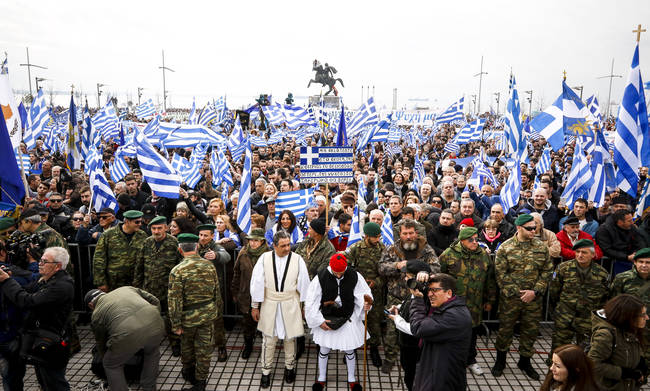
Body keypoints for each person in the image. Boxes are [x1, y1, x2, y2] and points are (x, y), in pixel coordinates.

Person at [0, 247, 74, 391]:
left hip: (53, 344)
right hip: (42, 342)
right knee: (46, 382)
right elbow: (27, 288)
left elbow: (27, 301)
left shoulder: (61, 286)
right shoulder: (47, 279)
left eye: (44, 261)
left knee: (55, 383)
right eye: (40, 260)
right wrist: (11, 275)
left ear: (57, 266)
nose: (40, 263)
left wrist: (7, 281)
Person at [491, 213, 553, 380]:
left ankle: (525, 361)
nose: (534, 230)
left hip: (534, 299)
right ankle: (500, 361)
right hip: (511, 299)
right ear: (519, 228)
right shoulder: (505, 247)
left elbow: (547, 271)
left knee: (530, 330)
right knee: (505, 330)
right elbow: (500, 274)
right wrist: (517, 293)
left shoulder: (541, 247)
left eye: (536, 228)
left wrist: (535, 292)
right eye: (530, 228)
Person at [378, 219, 440, 374]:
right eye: (405, 233)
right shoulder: (392, 249)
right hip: (396, 297)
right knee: (392, 332)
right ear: (400, 234)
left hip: (418, 298)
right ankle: (390, 359)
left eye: (411, 233)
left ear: (416, 233)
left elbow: (436, 267)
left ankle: (419, 359)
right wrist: (396, 266)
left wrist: (425, 272)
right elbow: (381, 268)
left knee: (417, 330)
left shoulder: (425, 249)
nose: (408, 236)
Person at [250, 231, 311, 388]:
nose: (287, 248)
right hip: (270, 304)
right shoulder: (264, 259)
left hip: (290, 303)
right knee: (268, 340)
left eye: (288, 244)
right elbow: (257, 283)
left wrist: (304, 307)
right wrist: (255, 306)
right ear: (274, 246)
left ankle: (289, 368)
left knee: (290, 338)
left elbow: (304, 284)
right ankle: (265, 372)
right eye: (283, 245)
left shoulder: (298, 260)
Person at [306, 253, 373, 391]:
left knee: (349, 350)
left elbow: (363, 294)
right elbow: (311, 301)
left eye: (341, 273)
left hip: (347, 315)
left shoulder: (354, 275)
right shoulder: (321, 277)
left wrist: (366, 304)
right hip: (327, 317)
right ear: (331, 267)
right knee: (324, 349)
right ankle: (321, 378)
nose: (338, 276)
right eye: (336, 273)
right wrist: (318, 321)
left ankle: (352, 379)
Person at [439, 226, 497, 376]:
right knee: (452, 332)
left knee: (472, 334)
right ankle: (450, 361)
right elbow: (439, 279)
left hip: (475, 304)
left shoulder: (483, 255)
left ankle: (471, 360)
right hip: (453, 304)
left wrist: (489, 300)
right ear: (462, 241)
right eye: (471, 240)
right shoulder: (448, 255)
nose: (475, 242)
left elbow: (490, 280)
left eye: (477, 239)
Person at [85, 287, 165, 391]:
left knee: (111, 364)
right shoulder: (126, 288)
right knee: (152, 352)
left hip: (127, 333)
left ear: (91, 305)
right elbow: (155, 300)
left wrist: (109, 356)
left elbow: (101, 342)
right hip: (156, 323)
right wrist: (155, 314)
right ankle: (149, 388)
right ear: (104, 293)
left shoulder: (96, 314)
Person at [168, 233, 219, 391]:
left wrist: (175, 324)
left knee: (187, 347)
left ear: (180, 250)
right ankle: (200, 383)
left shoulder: (177, 271)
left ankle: (189, 372)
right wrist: (215, 311)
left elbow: (174, 301)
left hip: (187, 318)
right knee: (204, 350)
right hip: (208, 315)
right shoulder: (209, 265)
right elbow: (217, 292)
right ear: (197, 247)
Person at [409, 273, 472, 391]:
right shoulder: (447, 306)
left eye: (434, 290)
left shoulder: (454, 316)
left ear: (449, 293)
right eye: (428, 290)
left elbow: (418, 327)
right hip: (435, 371)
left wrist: (417, 300)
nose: (429, 294)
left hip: (442, 380)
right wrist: (423, 274)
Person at [548, 239, 609, 360]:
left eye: (584, 252)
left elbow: (605, 297)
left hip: (587, 319)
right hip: (565, 316)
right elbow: (554, 291)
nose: (580, 255)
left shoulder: (602, 274)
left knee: (584, 352)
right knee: (558, 350)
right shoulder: (563, 268)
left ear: (592, 254)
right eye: (578, 252)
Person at [132, 216, 183, 356]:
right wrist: (136, 287)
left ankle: (175, 343)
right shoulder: (147, 243)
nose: (156, 231)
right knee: (149, 318)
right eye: (154, 229)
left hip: (168, 289)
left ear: (166, 228)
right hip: (150, 289)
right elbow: (139, 266)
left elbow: (181, 266)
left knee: (171, 317)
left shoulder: (174, 243)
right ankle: (149, 344)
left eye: (159, 228)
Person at [588, 294, 649, 391]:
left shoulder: (631, 329)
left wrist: (639, 362)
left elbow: (625, 353)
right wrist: (623, 373)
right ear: (628, 316)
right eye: (642, 315)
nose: (647, 317)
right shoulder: (606, 335)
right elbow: (593, 365)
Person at [346, 222, 386, 368]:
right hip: (356, 292)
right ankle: (351, 349)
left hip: (375, 292)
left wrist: (376, 282)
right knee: (355, 320)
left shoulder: (383, 249)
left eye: (379, 236)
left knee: (374, 321)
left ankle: (373, 349)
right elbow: (347, 268)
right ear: (367, 236)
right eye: (375, 237)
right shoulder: (356, 249)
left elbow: (386, 273)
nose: (378, 239)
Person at [231, 228, 269, 359]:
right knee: (247, 323)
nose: (252, 243)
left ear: (262, 241)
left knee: (264, 322)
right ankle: (248, 345)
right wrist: (234, 291)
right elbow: (236, 272)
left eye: (256, 240)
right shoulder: (243, 253)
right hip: (246, 294)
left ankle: (266, 347)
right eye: (250, 240)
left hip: (264, 296)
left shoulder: (269, 254)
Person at [196, 224, 230, 362]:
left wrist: (216, 255)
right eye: (200, 235)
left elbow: (226, 256)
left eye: (205, 235)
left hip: (213, 291)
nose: (202, 238)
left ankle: (221, 347)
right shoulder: (195, 246)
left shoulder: (215, 246)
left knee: (217, 321)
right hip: (197, 291)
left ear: (211, 236)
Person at [610, 247, 650, 359]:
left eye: (648, 262)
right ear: (635, 262)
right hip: (628, 327)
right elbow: (613, 303)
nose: (644, 265)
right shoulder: (622, 278)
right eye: (641, 262)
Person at [93, 210, 147, 292]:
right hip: (113, 283)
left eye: (140, 222)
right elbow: (99, 259)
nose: (140, 224)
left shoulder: (142, 235)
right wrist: (101, 282)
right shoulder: (108, 235)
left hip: (134, 283)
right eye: (137, 222)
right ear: (127, 222)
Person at [596, 209, 648, 275]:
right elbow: (606, 249)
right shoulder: (604, 230)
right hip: (610, 264)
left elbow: (640, 241)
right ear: (620, 222)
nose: (632, 223)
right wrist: (626, 257)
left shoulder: (631, 227)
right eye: (629, 221)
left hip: (629, 260)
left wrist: (638, 253)